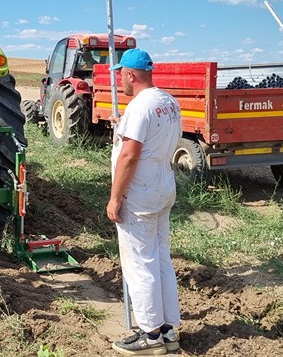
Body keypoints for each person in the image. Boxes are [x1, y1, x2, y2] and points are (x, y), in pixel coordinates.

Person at [107, 48, 182, 356]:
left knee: (140, 264)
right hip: (162, 187)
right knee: (161, 258)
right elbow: (150, 136)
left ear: (131, 75)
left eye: (121, 75)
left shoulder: (140, 106)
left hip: (140, 194)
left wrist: (115, 198)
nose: (120, 81)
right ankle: (167, 330)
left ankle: (150, 336)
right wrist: (123, 125)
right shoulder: (168, 101)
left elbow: (129, 155)